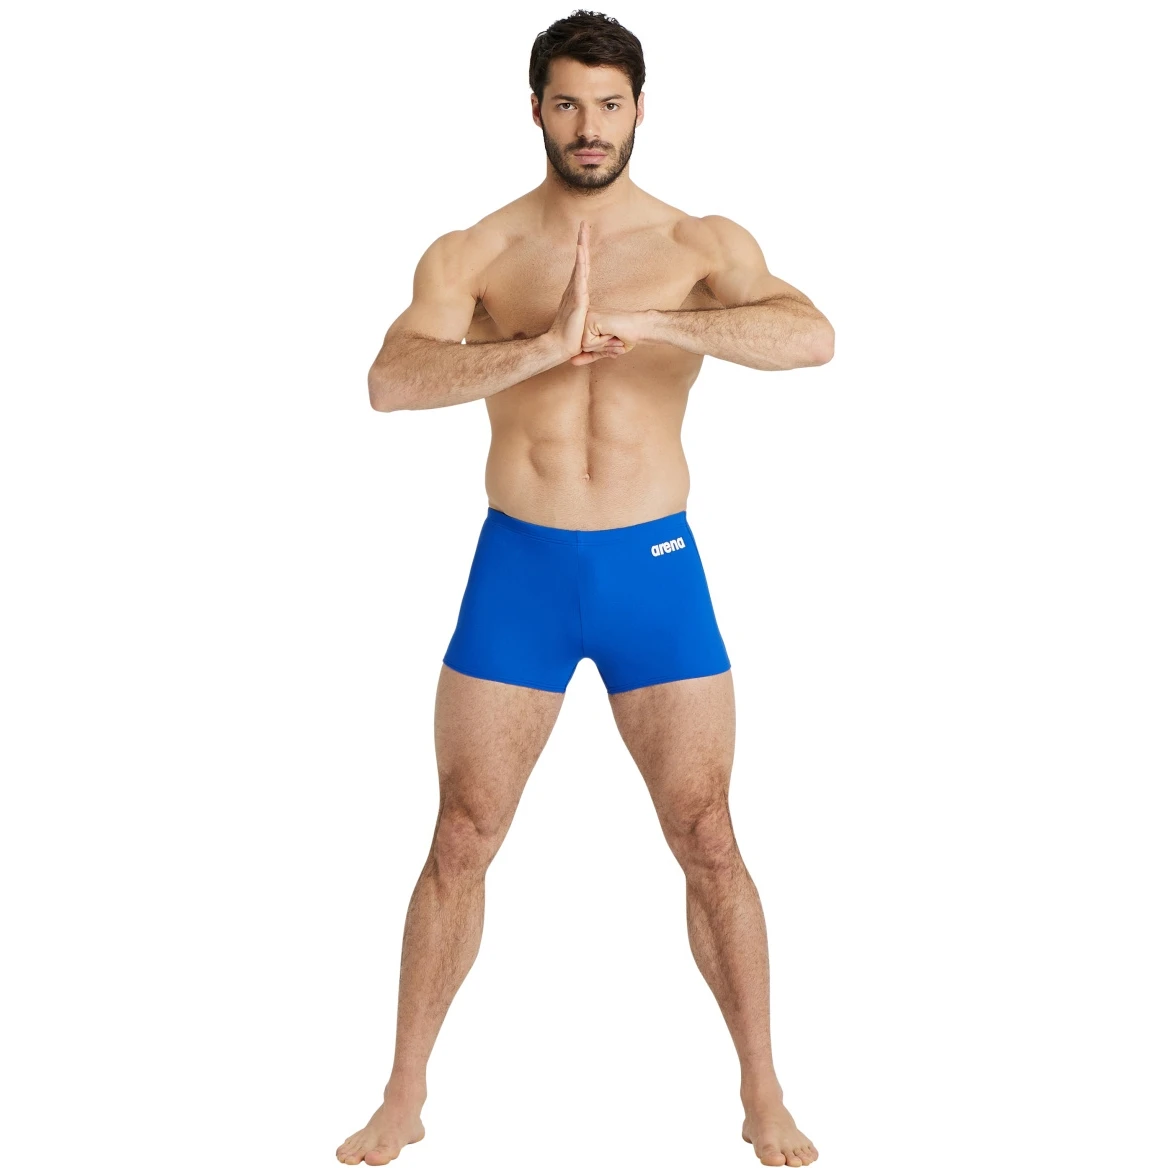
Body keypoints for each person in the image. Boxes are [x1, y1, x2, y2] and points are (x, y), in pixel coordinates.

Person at [337, 10, 832, 1166]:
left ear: (640, 109)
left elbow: (811, 338)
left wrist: (649, 321)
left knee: (707, 832)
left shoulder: (698, 242)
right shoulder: (475, 251)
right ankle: (403, 1095)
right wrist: (541, 346)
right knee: (462, 834)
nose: (589, 125)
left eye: (609, 104)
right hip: (521, 567)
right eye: (567, 103)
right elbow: (389, 382)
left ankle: (763, 1093)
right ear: (535, 111)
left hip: (653, 568)